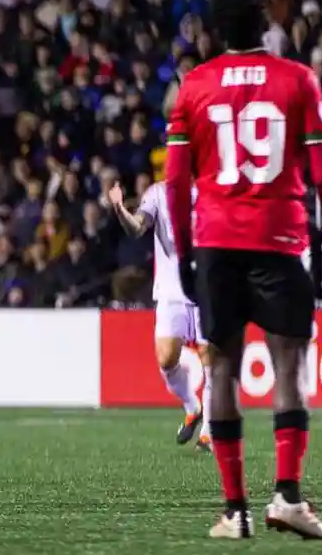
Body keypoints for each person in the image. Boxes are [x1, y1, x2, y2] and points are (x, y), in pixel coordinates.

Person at [165, 0, 322, 540]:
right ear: (265, 25)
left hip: (216, 245)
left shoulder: (195, 87)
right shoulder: (297, 80)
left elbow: (177, 183)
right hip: (280, 242)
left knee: (223, 369)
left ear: (215, 30)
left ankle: (236, 512)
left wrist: (183, 251)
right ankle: (288, 498)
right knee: (289, 368)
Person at [108, 181, 211, 453]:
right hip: (171, 291)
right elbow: (137, 227)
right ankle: (192, 406)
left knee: (211, 359)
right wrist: (119, 208)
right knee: (166, 359)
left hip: (207, 288)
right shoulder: (158, 193)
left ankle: (209, 433)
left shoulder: (213, 187)